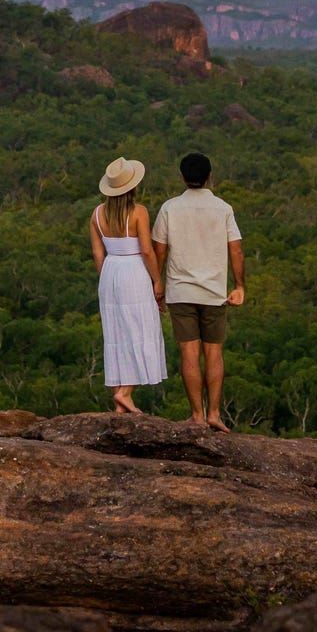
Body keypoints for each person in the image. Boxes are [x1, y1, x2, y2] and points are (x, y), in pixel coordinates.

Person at [151, 151, 245, 430]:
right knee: (214, 353)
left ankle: (197, 415)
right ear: (209, 177)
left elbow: (159, 250)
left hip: (181, 292)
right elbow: (236, 249)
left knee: (189, 354)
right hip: (214, 293)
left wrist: (157, 284)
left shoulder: (169, 208)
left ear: (182, 177)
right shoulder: (223, 208)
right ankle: (214, 414)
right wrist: (239, 286)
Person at [88, 156, 167, 413]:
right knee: (139, 328)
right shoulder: (139, 212)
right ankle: (125, 392)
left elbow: (98, 255)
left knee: (116, 332)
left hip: (110, 272)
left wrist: (108, 278)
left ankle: (119, 398)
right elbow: (146, 250)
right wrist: (157, 280)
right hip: (134, 270)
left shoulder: (97, 214)